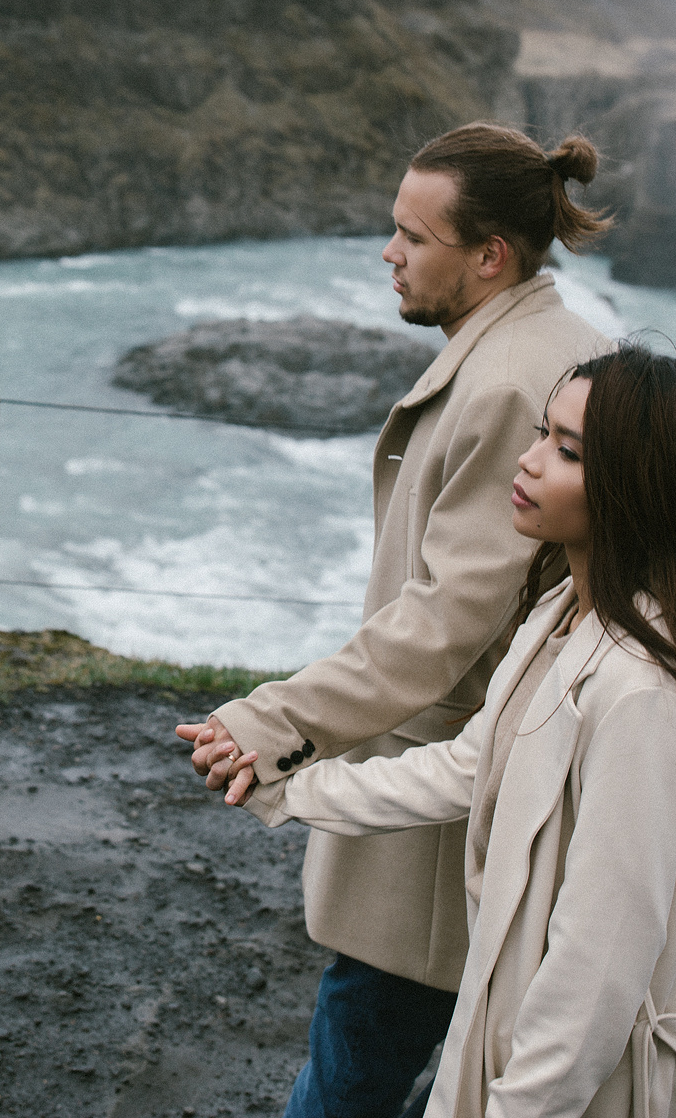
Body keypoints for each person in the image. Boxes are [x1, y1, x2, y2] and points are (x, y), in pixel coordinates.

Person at [223, 346, 676, 1118]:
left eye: (566, 452)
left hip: (612, 1091)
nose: (526, 463)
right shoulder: (562, 615)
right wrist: (287, 786)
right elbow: (471, 766)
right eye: (541, 434)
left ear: (643, 487)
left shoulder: (647, 694)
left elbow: (596, 971)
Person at [176, 121, 613, 1118]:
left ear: (489, 255)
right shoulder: (561, 348)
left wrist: (273, 720)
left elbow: (442, 624)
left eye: (414, 237)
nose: (390, 253)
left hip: (443, 812)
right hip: (496, 784)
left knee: (349, 1084)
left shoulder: (510, 383)